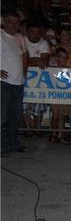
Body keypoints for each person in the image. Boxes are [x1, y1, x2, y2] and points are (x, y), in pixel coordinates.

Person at [1, 11, 28, 153]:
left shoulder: (20, 38)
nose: (13, 25)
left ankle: (13, 143)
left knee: (14, 116)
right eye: (10, 21)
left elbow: (24, 55)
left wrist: (23, 73)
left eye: (16, 22)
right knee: (1, 115)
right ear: (4, 22)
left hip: (18, 83)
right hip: (3, 82)